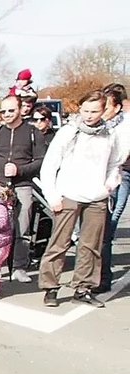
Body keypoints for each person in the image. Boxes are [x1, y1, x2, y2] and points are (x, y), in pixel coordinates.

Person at [37, 91, 124, 308]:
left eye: (94, 111)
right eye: (85, 110)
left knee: (91, 245)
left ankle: (83, 288)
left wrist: (108, 185)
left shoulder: (110, 134)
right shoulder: (69, 132)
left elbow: (115, 163)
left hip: (96, 197)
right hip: (68, 194)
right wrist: (53, 195)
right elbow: (50, 164)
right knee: (59, 243)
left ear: (103, 110)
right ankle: (50, 287)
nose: (89, 115)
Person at [0, 94, 45, 282]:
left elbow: (41, 161)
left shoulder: (33, 133)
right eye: (3, 111)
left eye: (11, 110)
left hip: (22, 185)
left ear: (21, 109)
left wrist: (20, 170)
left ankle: (19, 266)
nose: (6, 114)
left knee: (22, 227)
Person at [99, 83, 129, 292]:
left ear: (117, 107)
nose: (102, 111)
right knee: (107, 226)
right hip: (113, 176)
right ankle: (102, 277)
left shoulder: (124, 126)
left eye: (106, 106)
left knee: (110, 223)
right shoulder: (100, 126)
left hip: (122, 172)